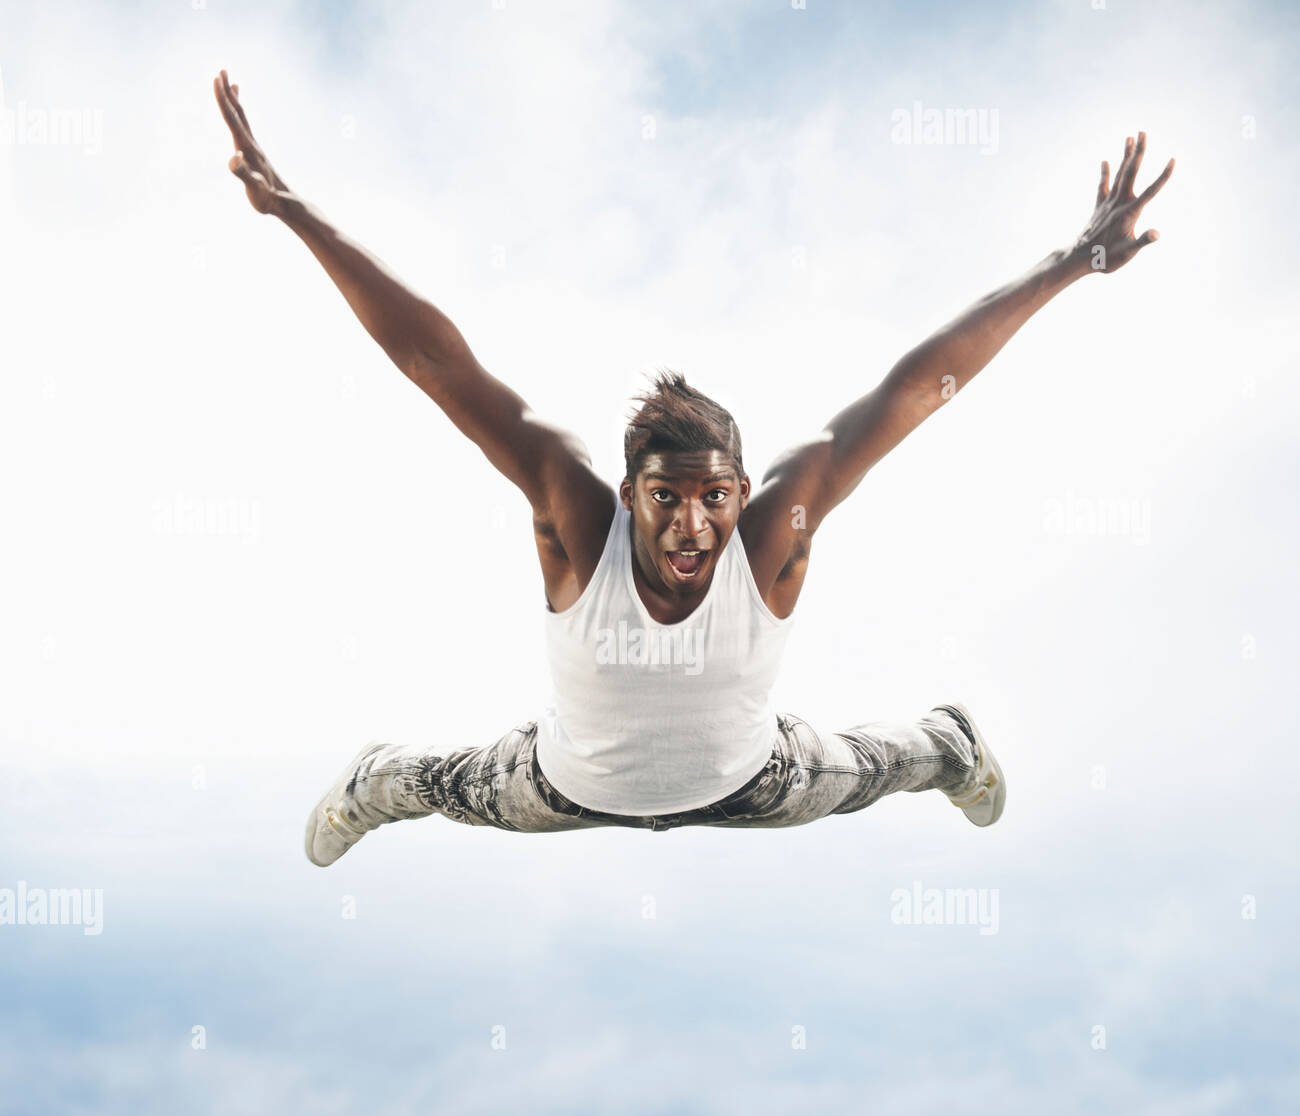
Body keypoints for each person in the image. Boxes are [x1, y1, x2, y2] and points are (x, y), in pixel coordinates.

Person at [212, 72, 1174, 867]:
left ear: (742, 496)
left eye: (715, 499)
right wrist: (297, 214)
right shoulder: (573, 516)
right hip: (558, 786)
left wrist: (1072, 260)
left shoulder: (778, 527)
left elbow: (918, 389)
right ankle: (373, 778)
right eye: (665, 500)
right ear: (630, 497)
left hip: (760, 781)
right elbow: (438, 368)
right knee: (427, 786)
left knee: (881, 767)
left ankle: (948, 745)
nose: (690, 526)